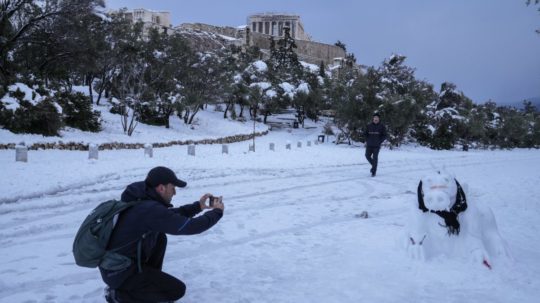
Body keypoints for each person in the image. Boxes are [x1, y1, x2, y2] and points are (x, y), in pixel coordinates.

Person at [101, 166, 224, 302]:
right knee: (175, 290)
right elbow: (191, 227)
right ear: (161, 188)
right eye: (173, 188)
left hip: (114, 268)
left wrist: (198, 207)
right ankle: (118, 295)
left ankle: (146, 288)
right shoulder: (148, 209)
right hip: (119, 272)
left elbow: (169, 216)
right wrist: (217, 212)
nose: (175, 193)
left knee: (160, 238)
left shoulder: (142, 201)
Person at [364, 112, 387, 177]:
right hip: (369, 145)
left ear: (379, 119)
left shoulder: (382, 126)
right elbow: (365, 134)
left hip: (376, 146)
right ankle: (374, 166)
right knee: (367, 156)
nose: (376, 119)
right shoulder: (369, 125)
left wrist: (380, 141)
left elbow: (385, 135)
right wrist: (367, 140)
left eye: (377, 118)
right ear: (373, 118)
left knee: (375, 158)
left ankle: (373, 172)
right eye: (375, 117)